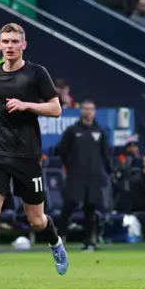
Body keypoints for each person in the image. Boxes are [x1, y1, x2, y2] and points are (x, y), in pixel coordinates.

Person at [0, 23, 69, 289]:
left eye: (14, 41)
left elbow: (56, 109)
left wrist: (27, 105)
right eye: (5, 41)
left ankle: (55, 242)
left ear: (24, 45)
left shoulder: (37, 73)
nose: (9, 46)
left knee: (37, 220)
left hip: (26, 155)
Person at [56, 99, 109, 250]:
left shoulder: (100, 131)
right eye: (85, 109)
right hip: (75, 176)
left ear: (94, 112)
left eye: (91, 109)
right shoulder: (72, 130)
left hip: (93, 177)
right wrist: (71, 166)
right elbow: (62, 150)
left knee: (91, 209)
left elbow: (105, 154)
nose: (88, 112)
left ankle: (89, 241)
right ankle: (59, 238)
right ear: (81, 111)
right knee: (69, 205)